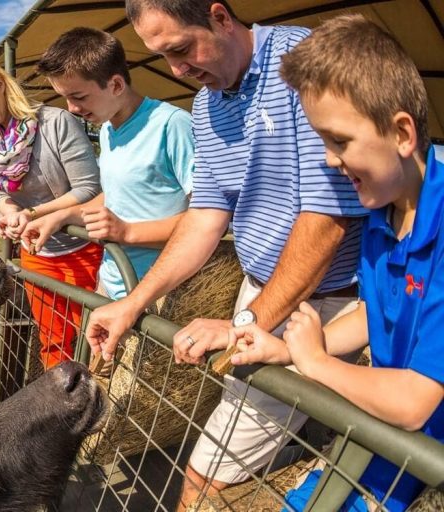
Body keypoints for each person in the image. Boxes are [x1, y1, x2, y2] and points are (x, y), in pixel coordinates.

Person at [85, 1, 368, 509]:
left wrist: (244, 324)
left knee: (205, 475)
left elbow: (326, 220)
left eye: (179, 49)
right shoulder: (207, 105)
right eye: (162, 57)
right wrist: (135, 303)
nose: (177, 70)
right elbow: (204, 217)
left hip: (332, 301)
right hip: (266, 297)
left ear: (219, 16)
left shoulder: (307, 64)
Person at [229, 14, 443, 511]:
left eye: (339, 141)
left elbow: (415, 402)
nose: (329, 161)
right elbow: (378, 312)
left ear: (402, 133)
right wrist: (286, 351)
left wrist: (317, 363)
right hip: (387, 438)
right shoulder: (384, 212)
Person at [0, 57, 102, 369]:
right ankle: (61, 409)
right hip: (38, 254)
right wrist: (11, 211)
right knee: (52, 341)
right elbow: (1, 192)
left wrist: (31, 212)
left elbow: (89, 189)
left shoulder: (56, 123)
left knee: (91, 344)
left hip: (83, 250)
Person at [21, 27, 194, 309]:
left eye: (79, 96)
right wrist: (62, 216)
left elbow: (207, 219)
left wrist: (127, 233)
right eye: (66, 98)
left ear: (115, 85)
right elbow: (116, 195)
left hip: (162, 296)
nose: (72, 108)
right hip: (113, 282)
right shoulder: (107, 129)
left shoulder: (172, 125)